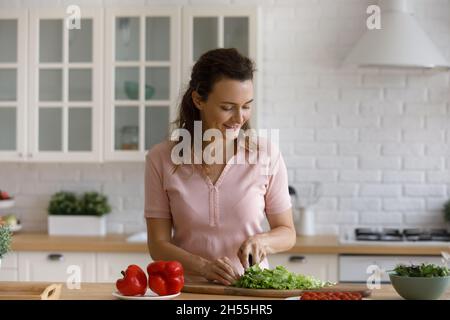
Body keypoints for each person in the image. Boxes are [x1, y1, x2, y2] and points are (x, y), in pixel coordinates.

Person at [145, 48, 296, 286]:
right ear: (198, 100)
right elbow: (158, 245)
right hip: (189, 291)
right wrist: (203, 267)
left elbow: (287, 232)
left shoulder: (266, 155)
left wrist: (263, 241)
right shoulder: (161, 158)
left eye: (246, 105)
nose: (239, 117)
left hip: (251, 290)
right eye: (227, 107)